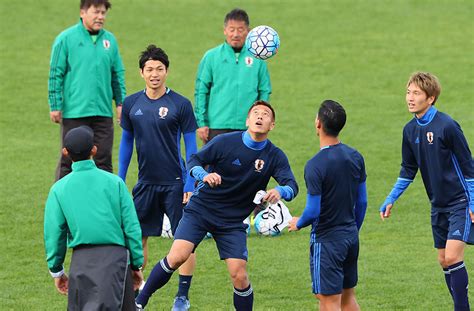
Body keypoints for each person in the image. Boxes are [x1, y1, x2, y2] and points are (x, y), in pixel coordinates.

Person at [135, 100, 298, 310]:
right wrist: (204, 175)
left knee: (239, 274)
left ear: (272, 125)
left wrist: (280, 191)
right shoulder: (225, 142)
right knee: (177, 256)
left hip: (232, 221)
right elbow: (194, 160)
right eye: (255, 113)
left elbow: (292, 186)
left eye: (265, 114)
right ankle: (139, 302)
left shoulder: (274, 155)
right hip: (201, 210)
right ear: (247, 120)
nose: (260, 116)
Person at [379, 72, 474, 311]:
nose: (410, 98)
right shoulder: (410, 131)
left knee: (453, 257)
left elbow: (469, 167)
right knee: (443, 260)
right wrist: (391, 198)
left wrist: (473, 202)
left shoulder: (448, 126)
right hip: (437, 204)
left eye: (416, 93)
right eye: (408, 92)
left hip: (459, 201)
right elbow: (408, 170)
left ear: (430, 98)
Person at [118, 45, 198, 311]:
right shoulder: (131, 104)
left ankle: (182, 296)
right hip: (146, 183)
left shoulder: (180, 104)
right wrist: (120, 177)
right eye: (150, 69)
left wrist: (190, 181)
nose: (155, 74)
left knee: (185, 240)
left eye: (159, 69)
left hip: (176, 183)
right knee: (138, 237)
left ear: (167, 71)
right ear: (141, 73)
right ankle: (137, 292)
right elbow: (126, 143)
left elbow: (192, 147)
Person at [43, 126, 143, 310]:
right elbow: (131, 227)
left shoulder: (59, 189)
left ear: (65, 152)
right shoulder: (115, 183)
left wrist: (57, 270)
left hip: (81, 264)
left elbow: (54, 233)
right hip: (116, 263)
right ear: (94, 150)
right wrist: (136, 264)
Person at [289, 100, 368, 311]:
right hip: (350, 236)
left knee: (329, 300)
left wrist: (299, 222)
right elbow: (362, 202)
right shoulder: (355, 156)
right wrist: (353, 229)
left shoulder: (315, 165)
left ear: (318, 124)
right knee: (347, 297)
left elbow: (313, 210)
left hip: (327, 240)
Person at [48, 0, 126, 180]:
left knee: (104, 160)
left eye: (103, 13)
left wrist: (121, 102)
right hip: (75, 112)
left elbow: (117, 75)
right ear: (83, 12)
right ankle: (62, 204)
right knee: (68, 161)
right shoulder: (65, 39)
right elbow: (55, 74)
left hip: (103, 112)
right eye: (96, 12)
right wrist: (55, 105)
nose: (100, 17)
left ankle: (104, 203)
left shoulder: (110, 40)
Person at [194, 8, 271, 144]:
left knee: (247, 165)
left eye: (240, 30)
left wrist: (260, 119)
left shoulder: (258, 59)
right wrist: (202, 122)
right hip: (217, 126)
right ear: (225, 30)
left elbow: (264, 91)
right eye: (231, 29)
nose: (236, 34)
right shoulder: (211, 57)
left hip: (247, 127)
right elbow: (201, 91)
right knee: (214, 165)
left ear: (248, 31)